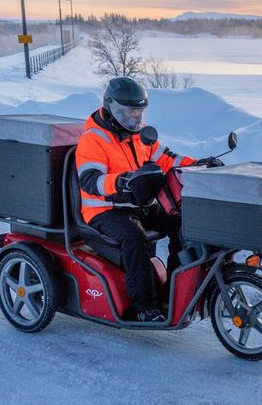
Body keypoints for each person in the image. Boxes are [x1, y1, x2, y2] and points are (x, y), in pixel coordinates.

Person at [75, 77, 199, 322]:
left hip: (139, 205)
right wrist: (122, 182)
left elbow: (168, 160)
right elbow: (89, 180)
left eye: (139, 112)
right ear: (110, 108)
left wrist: (199, 164)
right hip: (105, 210)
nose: (134, 119)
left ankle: (175, 291)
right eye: (127, 113)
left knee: (183, 224)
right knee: (135, 238)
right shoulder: (94, 139)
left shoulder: (141, 135)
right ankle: (145, 307)